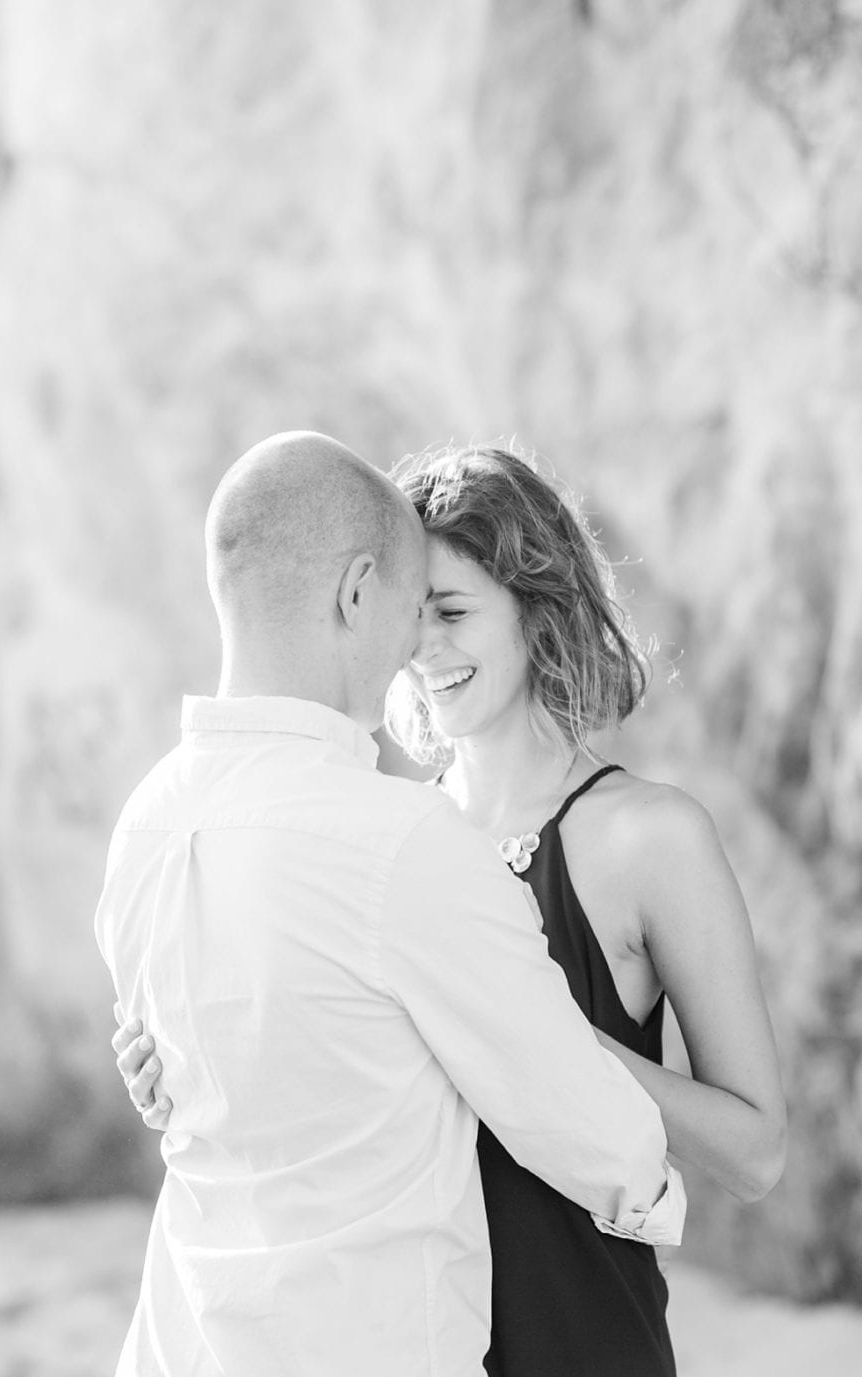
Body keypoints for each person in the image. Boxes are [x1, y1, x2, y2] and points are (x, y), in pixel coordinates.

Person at [118, 443, 786, 1375]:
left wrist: (530, 1031)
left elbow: (757, 1151)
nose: (421, 648)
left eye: (455, 612)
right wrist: (180, 1061)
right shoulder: (389, 838)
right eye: (410, 612)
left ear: (537, 609)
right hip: (409, 1333)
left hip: (579, 1327)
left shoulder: (651, 837)